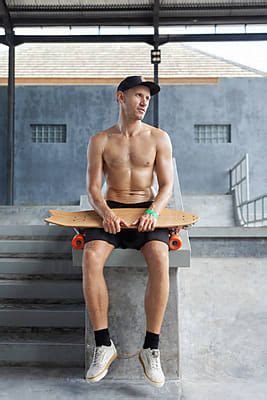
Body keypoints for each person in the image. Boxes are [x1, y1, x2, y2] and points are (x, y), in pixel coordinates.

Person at [82, 75, 174, 388]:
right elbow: (94, 187)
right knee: (91, 256)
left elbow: (167, 186)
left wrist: (153, 212)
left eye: (147, 97)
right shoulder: (100, 140)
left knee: (161, 257)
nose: (144, 102)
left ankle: (151, 348)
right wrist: (105, 213)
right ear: (120, 97)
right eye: (138, 95)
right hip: (111, 213)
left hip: (146, 213)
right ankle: (103, 344)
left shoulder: (159, 137)